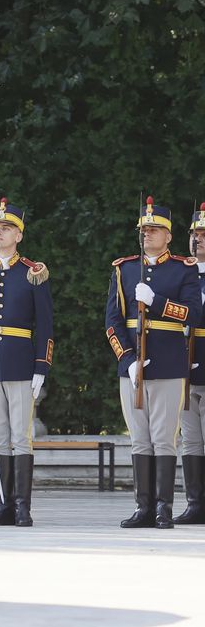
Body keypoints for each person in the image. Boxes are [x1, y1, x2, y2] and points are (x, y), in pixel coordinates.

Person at [107, 197, 199, 529]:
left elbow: (193, 313)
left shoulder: (183, 268)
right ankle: (142, 507)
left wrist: (156, 302)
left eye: (154, 229)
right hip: (133, 368)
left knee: (163, 437)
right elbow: (112, 322)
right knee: (139, 438)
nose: (147, 234)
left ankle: (163, 507)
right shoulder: (124, 268)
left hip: (169, 362)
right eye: (144, 229)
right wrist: (128, 359)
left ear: (168, 235)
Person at [0, 197, 53, 527]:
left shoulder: (33, 273)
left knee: (20, 436)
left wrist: (41, 365)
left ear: (19, 235)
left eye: (6, 228)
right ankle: (2, 503)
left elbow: (44, 323)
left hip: (20, 360)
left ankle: (21, 506)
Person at [179, 204, 205, 525]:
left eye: (204, 234)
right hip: (183, 362)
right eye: (195, 234)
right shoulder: (180, 273)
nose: (198, 240)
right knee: (190, 438)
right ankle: (194, 503)